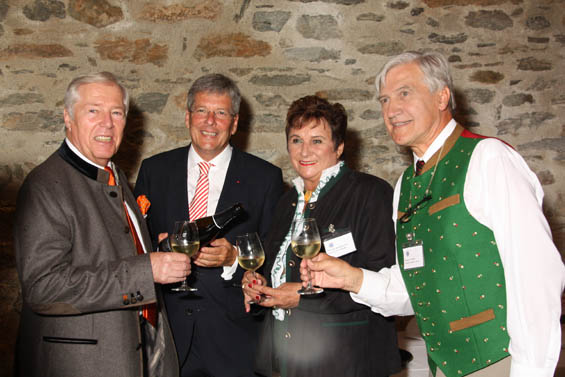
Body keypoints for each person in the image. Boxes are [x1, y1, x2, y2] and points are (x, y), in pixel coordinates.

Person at [301, 52, 565, 377]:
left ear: (442, 97)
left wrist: (531, 371)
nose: (391, 110)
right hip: (443, 367)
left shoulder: (488, 159)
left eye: (404, 94)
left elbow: (537, 274)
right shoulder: (406, 184)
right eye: (384, 99)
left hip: (500, 362)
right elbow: (413, 289)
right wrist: (350, 278)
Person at [13, 72, 190, 377]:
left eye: (116, 113)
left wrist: (157, 251)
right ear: (68, 117)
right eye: (93, 110)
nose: (107, 123)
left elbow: (108, 254)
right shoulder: (45, 185)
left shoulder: (114, 176)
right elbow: (43, 288)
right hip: (78, 364)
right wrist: (146, 270)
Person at [134, 73, 284, 377]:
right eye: (202, 111)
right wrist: (161, 247)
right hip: (169, 336)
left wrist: (233, 259)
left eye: (221, 113)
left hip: (235, 339)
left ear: (235, 123)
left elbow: (276, 255)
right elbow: (134, 244)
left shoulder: (265, 178)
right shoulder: (154, 171)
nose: (210, 121)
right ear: (188, 116)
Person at [242, 95, 401, 377]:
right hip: (288, 356)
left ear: (338, 147)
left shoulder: (370, 194)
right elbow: (278, 272)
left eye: (317, 140)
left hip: (346, 359)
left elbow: (384, 281)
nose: (304, 151)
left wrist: (303, 299)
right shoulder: (287, 201)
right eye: (296, 140)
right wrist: (259, 284)